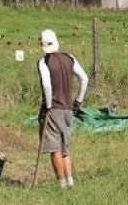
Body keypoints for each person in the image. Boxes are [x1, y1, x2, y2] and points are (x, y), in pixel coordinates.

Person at [37, 29, 89, 189]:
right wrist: (78, 101)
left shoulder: (44, 62)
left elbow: (46, 85)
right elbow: (84, 79)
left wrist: (48, 105)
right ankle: (70, 183)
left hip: (53, 109)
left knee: (55, 149)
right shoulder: (70, 58)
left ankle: (61, 185)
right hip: (68, 109)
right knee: (65, 148)